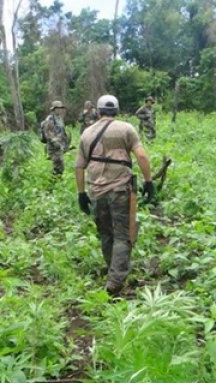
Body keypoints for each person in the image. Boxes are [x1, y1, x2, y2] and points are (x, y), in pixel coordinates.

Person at [75, 94, 154, 295]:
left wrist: (81, 193)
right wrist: (148, 181)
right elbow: (142, 155)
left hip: (96, 191)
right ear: (116, 111)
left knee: (105, 233)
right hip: (120, 189)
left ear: (99, 111)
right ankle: (115, 281)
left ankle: (113, 270)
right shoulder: (126, 129)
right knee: (122, 235)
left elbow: (79, 166)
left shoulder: (86, 134)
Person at [41, 100, 69, 176]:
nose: (60, 109)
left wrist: (65, 143)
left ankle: (56, 181)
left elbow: (62, 132)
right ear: (54, 109)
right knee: (58, 164)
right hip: (53, 146)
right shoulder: (50, 119)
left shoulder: (59, 118)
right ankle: (53, 182)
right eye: (58, 108)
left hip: (60, 145)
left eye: (61, 108)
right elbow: (47, 133)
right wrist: (54, 142)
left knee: (60, 165)